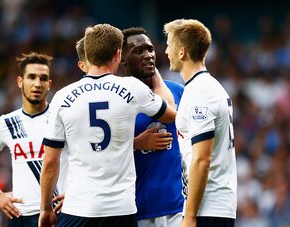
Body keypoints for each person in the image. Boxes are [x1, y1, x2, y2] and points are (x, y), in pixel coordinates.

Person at [39, 23, 176, 227]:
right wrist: (155, 76)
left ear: (88, 55)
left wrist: (46, 209)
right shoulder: (132, 88)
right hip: (121, 209)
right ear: (118, 55)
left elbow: (50, 162)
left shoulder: (62, 97)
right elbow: (171, 115)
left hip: (78, 208)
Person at [163, 19, 237, 227]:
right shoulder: (205, 87)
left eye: (169, 44)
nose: (166, 50)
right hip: (212, 207)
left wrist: (190, 216)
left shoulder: (200, 93)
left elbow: (202, 159)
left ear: (182, 52)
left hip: (208, 208)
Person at [0, 52, 59, 227]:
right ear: (20, 81)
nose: (37, 84)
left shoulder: (61, 117)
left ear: (49, 85)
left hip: (57, 213)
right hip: (21, 216)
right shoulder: (7, 123)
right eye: (31, 77)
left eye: (43, 79)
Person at [121, 27, 185, 227]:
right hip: (137, 209)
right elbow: (98, 149)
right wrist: (135, 143)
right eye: (138, 51)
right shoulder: (116, 98)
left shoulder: (179, 92)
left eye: (150, 49)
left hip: (178, 207)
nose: (148, 55)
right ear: (121, 58)